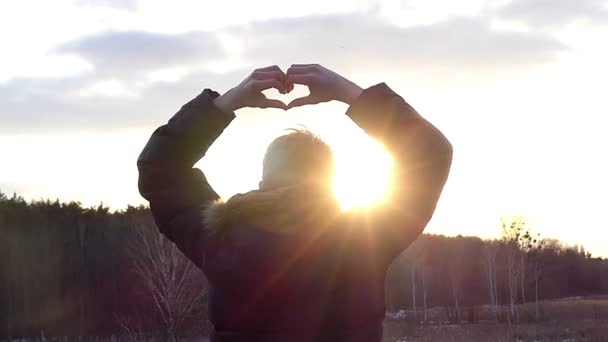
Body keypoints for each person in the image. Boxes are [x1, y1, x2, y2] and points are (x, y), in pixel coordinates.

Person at [137, 64, 453, 342]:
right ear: (330, 187)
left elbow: (162, 169)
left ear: (263, 183)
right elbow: (429, 154)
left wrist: (227, 102)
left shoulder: (219, 239)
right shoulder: (363, 241)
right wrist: (348, 93)